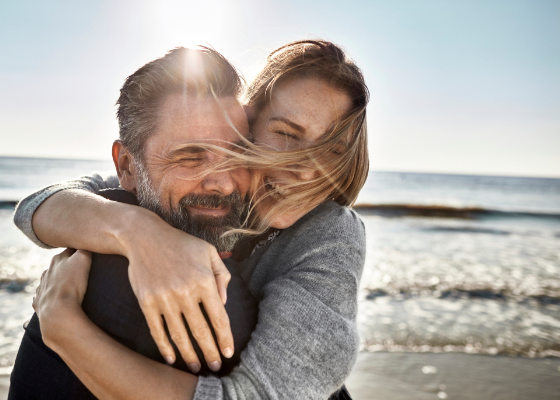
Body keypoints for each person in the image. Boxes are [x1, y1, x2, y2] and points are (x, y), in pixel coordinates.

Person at [22, 40, 368, 399]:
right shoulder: (198, 188)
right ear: (250, 124)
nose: (305, 169)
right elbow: (39, 207)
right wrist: (140, 232)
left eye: (330, 150)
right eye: (285, 134)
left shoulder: (328, 232)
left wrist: (63, 326)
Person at [8, 46, 262, 399]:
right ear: (127, 166)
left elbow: (37, 206)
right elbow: (32, 209)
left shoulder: (264, 213)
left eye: (239, 153)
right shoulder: (141, 279)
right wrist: (137, 231)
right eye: (190, 157)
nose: (224, 182)